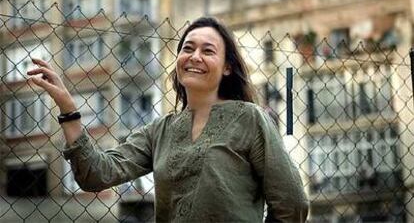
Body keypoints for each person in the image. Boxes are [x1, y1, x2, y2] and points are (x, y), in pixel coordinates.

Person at [27, 17, 309, 222]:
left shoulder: (250, 118)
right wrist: (67, 107)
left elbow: (292, 204)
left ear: (227, 68)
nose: (194, 56)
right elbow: (96, 174)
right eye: (187, 48)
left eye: (208, 51)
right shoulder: (160, 130)